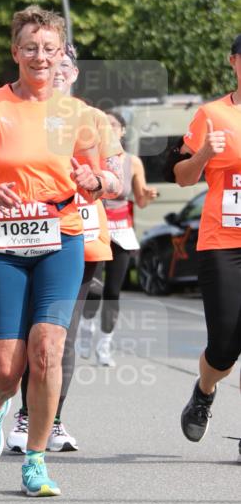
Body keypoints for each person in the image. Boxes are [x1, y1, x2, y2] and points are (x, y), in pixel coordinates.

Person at [0, 6, 121, 497]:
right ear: (15, 52)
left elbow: (114, 177)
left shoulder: (78, 114)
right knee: (7, 369)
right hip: (2, 243)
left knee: (47, 351)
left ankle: (36, 459)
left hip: (60, 239)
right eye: (30, 47)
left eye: (49, 48)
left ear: (61, 54)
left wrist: (96, 180)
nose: (40, 56)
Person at [6, 43, 121, 453]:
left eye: (65, 64)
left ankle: (48, 419)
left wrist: (99, 180)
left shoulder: (92, 119)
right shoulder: (19, 113)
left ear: (74, 73)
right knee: (27, 335)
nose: (57, 69)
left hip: (80, 238)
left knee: (61, 337)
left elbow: (116, 176)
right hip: (25, 235)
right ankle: (16, 409)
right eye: (52, 61)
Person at [176, 34, 241, 460]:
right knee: (224, 346)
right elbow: (182, 177)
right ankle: (204, 390)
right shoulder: (212, 114)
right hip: (223, 242)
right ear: (234, 61)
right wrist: (202, 154)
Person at [77, 110, 158, 365]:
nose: (109, 129)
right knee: (94, 289)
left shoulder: (133, 162)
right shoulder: (91, 157)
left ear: (122, 132)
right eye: (105, 125)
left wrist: (148, 195)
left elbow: (140, 200)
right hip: (95, 229)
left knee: (113, 291)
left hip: (122, 231)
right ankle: (86, 328)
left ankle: (105, 346)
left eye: (114, 125)